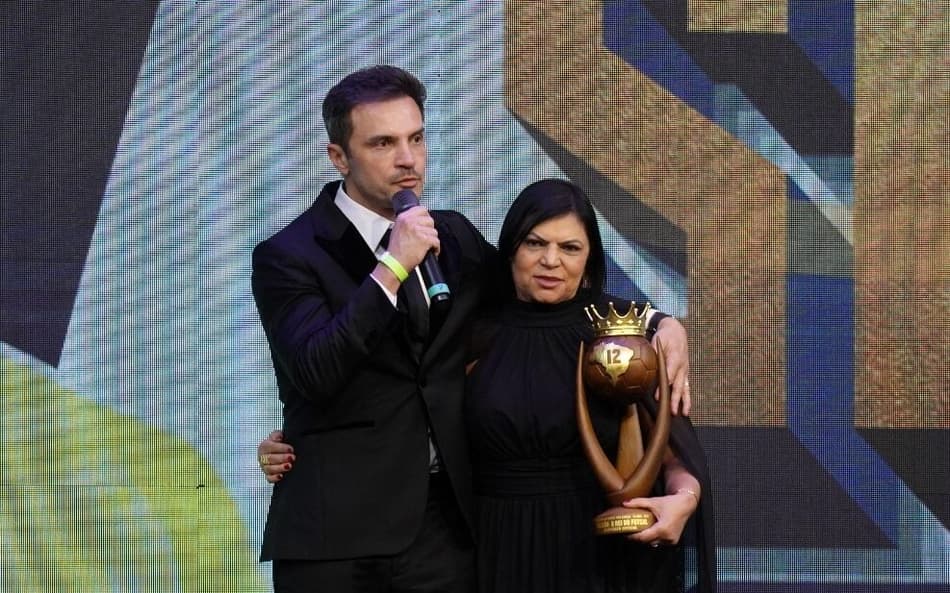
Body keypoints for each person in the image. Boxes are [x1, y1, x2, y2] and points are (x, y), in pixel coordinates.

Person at [259, 178, 715, 592]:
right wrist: (294, 440)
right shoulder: (469, 331)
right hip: (489, 553)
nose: (551, 260)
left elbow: (672, 452)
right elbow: (386, 387)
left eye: (570, 247)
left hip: (594, 555)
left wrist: (683, 499)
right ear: (509, 251)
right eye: (535, 243)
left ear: (590, 257)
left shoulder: (620, 339)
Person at [251, 65, 497, 592]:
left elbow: (541, 301)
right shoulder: (289, 255)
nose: (407, 159)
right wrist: (393, 266)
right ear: (339, 157)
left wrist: (653, 322)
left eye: (416, 138)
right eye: (383, 143)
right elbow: (316, 369)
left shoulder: (452, 237)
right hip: (334, 537)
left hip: (443, 531)